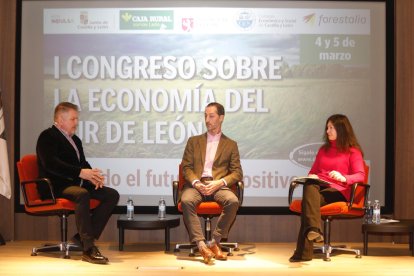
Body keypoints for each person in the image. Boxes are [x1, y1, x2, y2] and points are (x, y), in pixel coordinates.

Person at [36, 102, 119, 264]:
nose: (76, 123)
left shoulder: (75, 140)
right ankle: (88, 248)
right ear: (60, 119)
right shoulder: (47, 136)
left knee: (111, 195)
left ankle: (81, 238)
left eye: (77, 119)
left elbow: (82, 163)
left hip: (74, 184)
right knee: (82, 194)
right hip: (54, 186)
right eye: (73, 119)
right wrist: (81, 173)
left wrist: (92, 175)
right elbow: (50, 164)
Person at [289, 114, 366, 262]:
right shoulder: (323, 150)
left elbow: (360, 175)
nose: (327, 131)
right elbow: (312, 172)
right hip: (320, 189)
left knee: (308, 205)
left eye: (331, 127)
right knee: (310, 184)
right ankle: (313, 229)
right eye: (327, 127)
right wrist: (314, 177)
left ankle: (303, 252)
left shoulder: (353, 151)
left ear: (341, 129)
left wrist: (344, 177)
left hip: (339, 191)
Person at [180, 102, 243, 264]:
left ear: (221, 118)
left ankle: (214, 242)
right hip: (197, 184)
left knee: (233, 201)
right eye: (205, 116)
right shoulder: (194, 141)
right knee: (186, 200)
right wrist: (195, 182)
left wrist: (220, 182)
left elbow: (237, 173)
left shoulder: (231, 144)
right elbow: (186, 167)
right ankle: (201, 245)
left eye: (211, 116)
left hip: (217, 186)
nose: (207, 120)